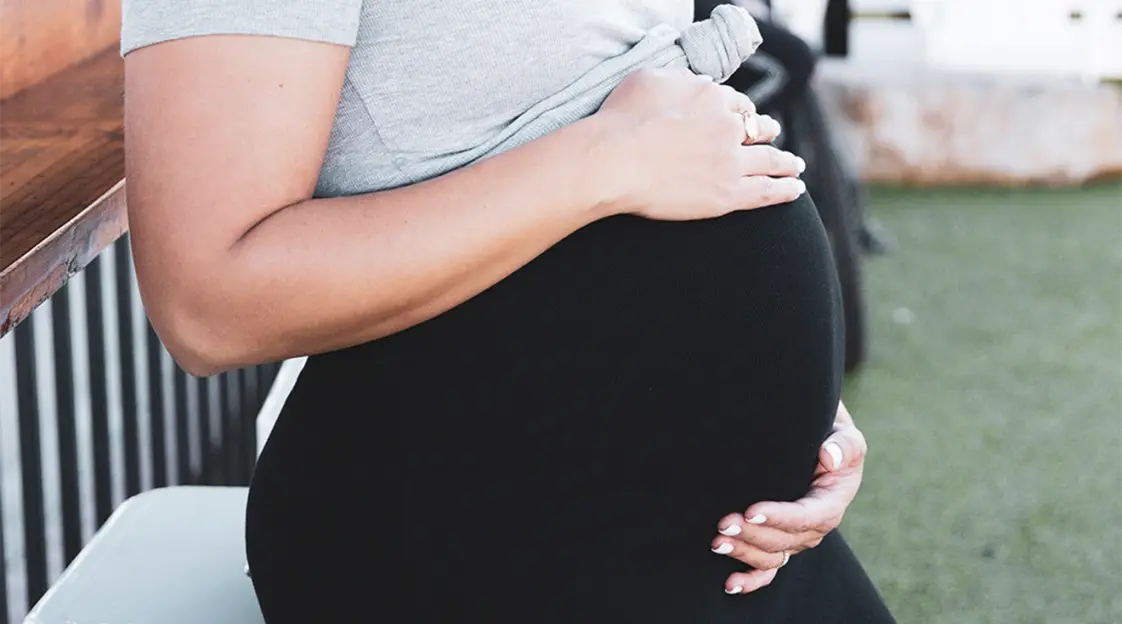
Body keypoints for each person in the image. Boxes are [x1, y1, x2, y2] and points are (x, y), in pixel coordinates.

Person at [120, 1, 894, 621]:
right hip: (489, 544)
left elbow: (653, 125)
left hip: (725, 553)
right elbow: (207, 303)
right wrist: (605, 160)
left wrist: (798, 420)